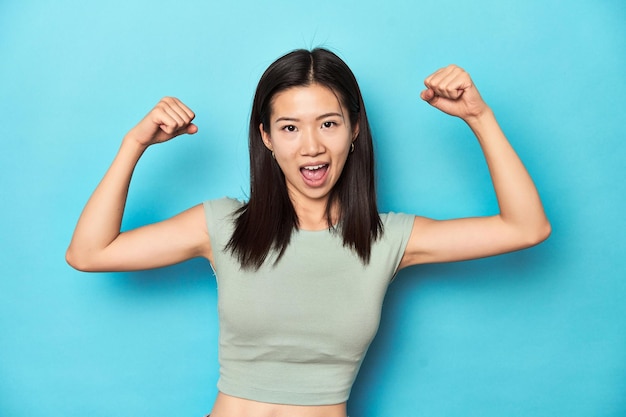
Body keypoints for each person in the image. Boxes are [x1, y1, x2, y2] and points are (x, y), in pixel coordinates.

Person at [66, 48, 550, 417]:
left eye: (329, 123)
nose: (311, 146)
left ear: (355, 129)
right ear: (266, 138)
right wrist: (135, 144)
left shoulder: (387, 239)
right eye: (291, 128)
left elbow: (526, 227)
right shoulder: (222, 226)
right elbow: (88, 253)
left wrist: (479, 118)